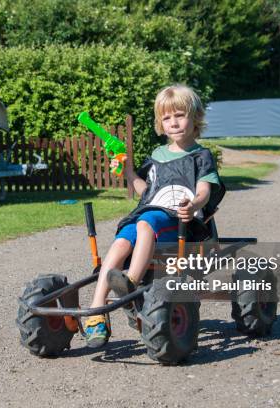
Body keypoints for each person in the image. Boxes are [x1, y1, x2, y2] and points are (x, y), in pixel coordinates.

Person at [84, 84, 225, 348]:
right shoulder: (156, 157)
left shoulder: (201, 156)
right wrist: (128, 172)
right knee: (122, 240)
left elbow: (205, 191)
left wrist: (193, 205)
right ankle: (97, 311)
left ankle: (131, 282)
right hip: (149, 213)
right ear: (160, 123)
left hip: (179, 220)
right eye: (167, 117)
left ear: (195, 118)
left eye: (180, 115)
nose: (173, 122)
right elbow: (146, 193)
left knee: (146, 223)